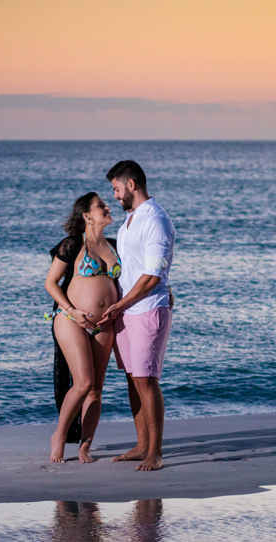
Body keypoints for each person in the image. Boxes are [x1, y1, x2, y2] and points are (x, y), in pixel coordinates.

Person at [99, 161, 176, 471]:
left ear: (131, 184)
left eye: (117, 189)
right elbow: (132, 268)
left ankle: (155, 453)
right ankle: (142, 444)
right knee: (133, 378)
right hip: (128, 311)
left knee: (146, 379)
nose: (115, 196)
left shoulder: (155, 219)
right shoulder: (129, 221)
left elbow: (153, 275)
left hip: (147, 309)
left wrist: (120, 304)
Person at [44, 192, 122, 463]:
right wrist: (72, 311)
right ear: (87, 216)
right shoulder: (73, 244)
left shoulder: (116, 246)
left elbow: (136, 278)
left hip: (104, 324)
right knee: (83, 383)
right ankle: (59, 436)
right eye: (101, 206)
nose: (107, 207)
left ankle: (85, 445)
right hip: (72, 320)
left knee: (95, 389)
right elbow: (51, 283)